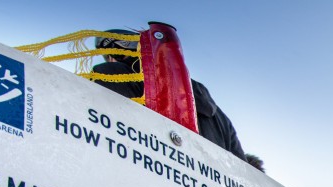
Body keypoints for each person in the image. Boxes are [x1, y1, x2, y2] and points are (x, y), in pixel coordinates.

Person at [91, 28, 246, 159]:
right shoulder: (220, 117)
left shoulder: (110, 74)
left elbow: (95, 122)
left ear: (118, 54)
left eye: (108, 55)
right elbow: (242, 168)